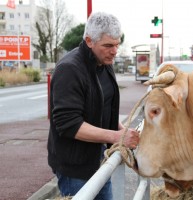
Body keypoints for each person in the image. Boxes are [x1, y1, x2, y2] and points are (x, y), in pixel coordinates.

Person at [47, 11, 139, 200]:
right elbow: (68, 124)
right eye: (108, 45)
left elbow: (105, 109)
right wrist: (116, 136)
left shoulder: (104, 62)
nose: (114, 51)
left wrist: (123, 130)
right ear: (89, 41)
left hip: (99, 159)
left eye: (116, 45)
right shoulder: (69, 69)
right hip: (75, 168)